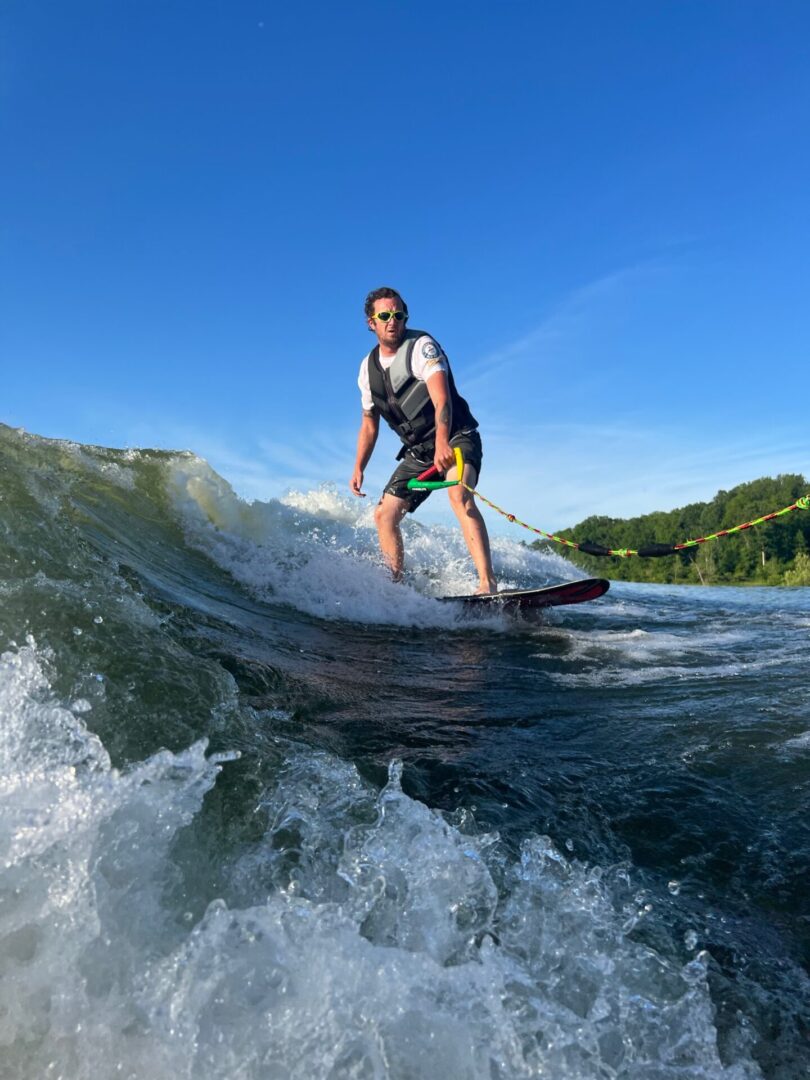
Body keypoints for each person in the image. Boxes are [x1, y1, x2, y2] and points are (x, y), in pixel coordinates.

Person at [350, 286, 497, 594]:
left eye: (399, 315)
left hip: (457, 436)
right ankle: (395, 588)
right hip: (419, 453)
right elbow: (368, 423)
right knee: (384, 515)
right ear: (371, 322)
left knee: (459, 495)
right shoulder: (367, 369)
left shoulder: (421, 347)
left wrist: (444, 442)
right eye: (385, 316)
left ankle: (487, 584)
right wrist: (359, 467)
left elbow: (442, 401)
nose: (393, 321)